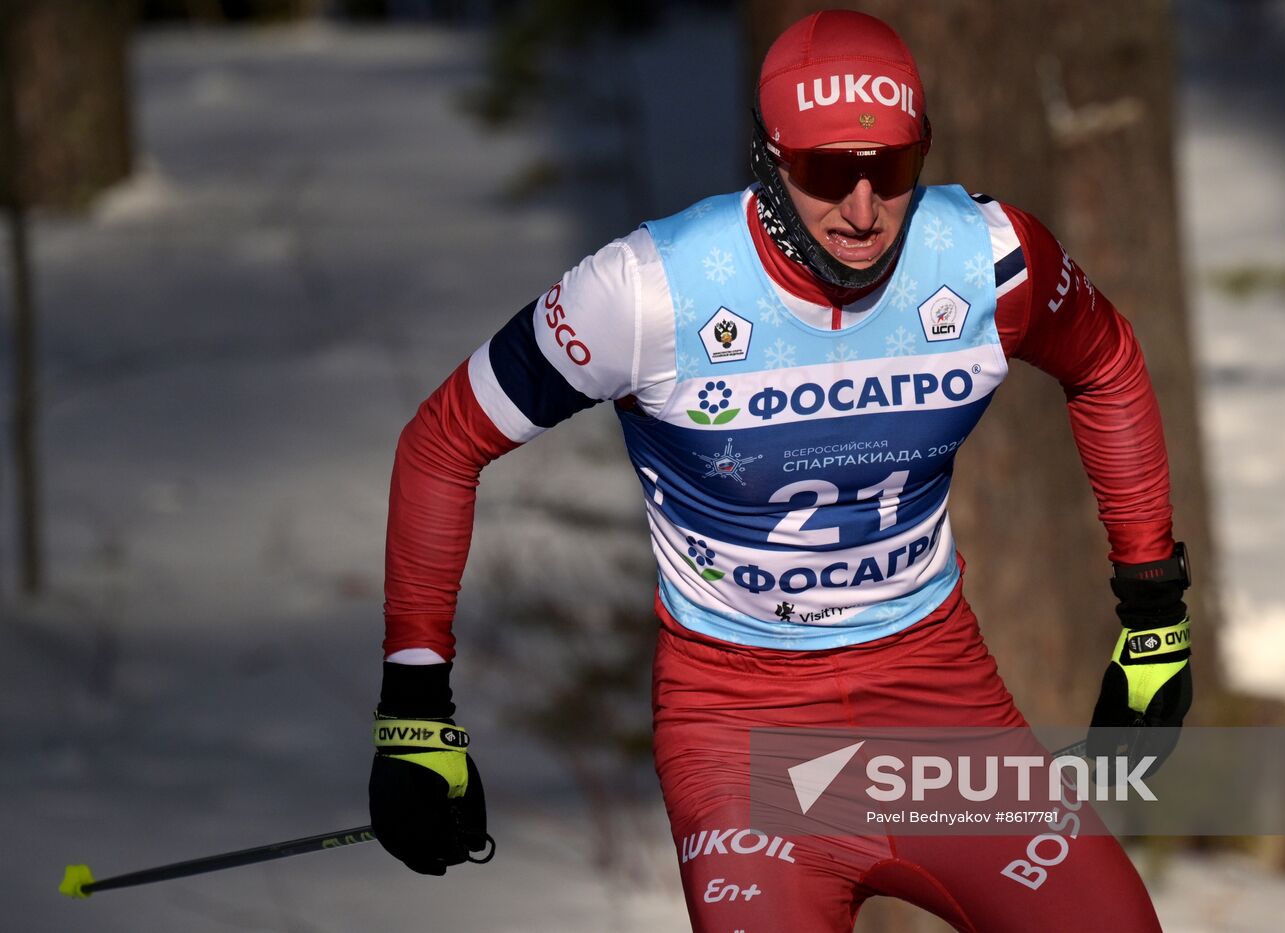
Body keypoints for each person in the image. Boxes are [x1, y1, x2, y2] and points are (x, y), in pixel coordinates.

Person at [367, 9, 1193, 931]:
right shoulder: (651, 290)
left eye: (894, 169)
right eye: (827, 171)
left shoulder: (989, 259)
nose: (865, 209)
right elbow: (443, 441)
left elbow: (1108, 363)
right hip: (740, 724)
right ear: (767, 159)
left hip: (933, 699)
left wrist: (1153, 608)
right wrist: (415, 703)